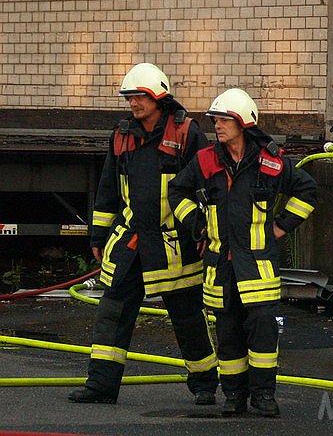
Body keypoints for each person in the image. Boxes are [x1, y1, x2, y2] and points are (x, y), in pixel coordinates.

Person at [69, 63, 218, 406]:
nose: (134, 103)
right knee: (113, 311)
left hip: (173, 244)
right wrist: (97, 236)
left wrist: (203, 230)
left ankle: (205, 384)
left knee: (187, 315)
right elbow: (108, 188)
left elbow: (206, 186)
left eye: (140, 96)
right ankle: (101, 386)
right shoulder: (121, 136)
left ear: (159, 97)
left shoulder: (186, 134)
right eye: (130, 97)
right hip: (131, 242)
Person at [168, 88, 317, 417]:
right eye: (215, 120)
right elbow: (176, 189)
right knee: (228, 334)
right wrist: (197, 223)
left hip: (258, 267)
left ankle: (263, 395)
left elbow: (307, 190)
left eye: (223, 120)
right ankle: (234, 396)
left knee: (263, 334)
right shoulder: (206, 159)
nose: (217, 126)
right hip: (221, 267)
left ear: (243, 123)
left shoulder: (270, 162)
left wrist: (280, 227)